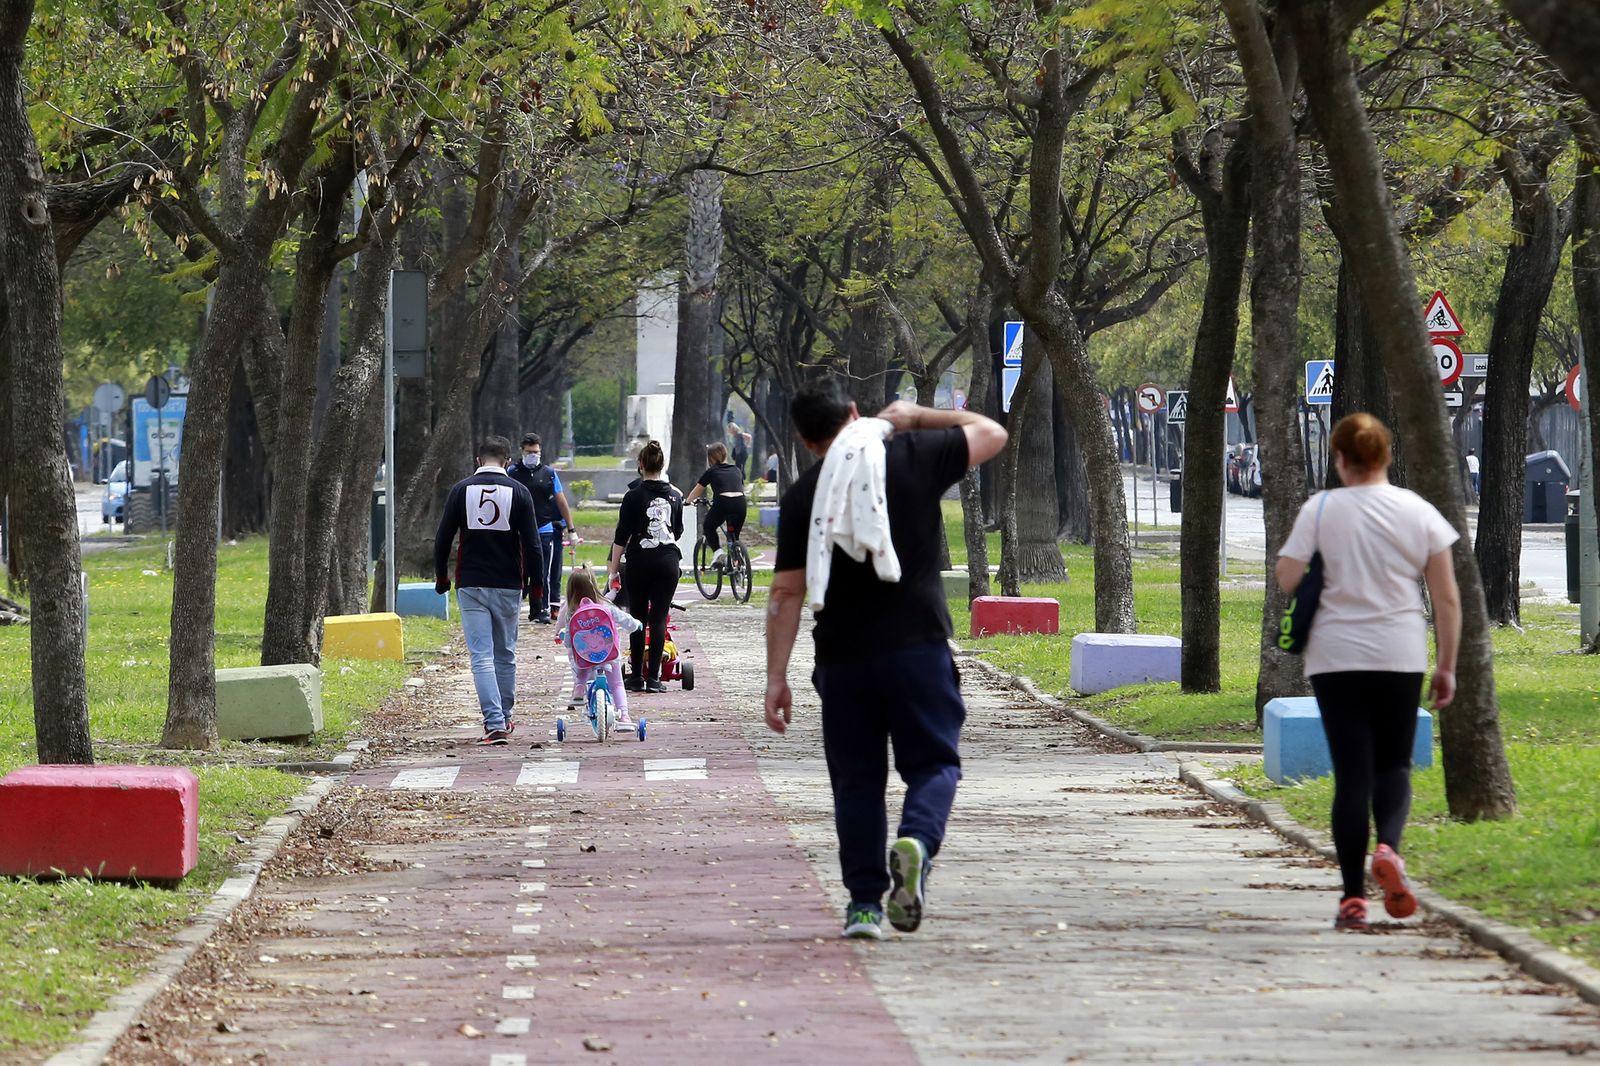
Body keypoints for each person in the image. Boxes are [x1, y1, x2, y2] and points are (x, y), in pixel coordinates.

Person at [764, 378, 1008, 941]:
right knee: (935, 766)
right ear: (855, 412)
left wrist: (776, 677)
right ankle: (918, 842)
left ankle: (865, 907)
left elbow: (785, 595)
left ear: (806, 441)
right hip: (917, 647)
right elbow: (991, 433)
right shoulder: (910, 456)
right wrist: (917, 416)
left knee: (856, 783)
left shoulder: (806, 495)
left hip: (843, 661)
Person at [1274, 413, 1461, 933]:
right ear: (1386, 456)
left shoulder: (1323, 508)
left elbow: (1288, 575)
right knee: (1394, 765)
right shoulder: (1417, 511)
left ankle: (1353, 899)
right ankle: (1389, 849)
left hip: (1335, 658)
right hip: (1400, 654)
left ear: (1339, 459)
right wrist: (1446, 667)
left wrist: (1326, 576)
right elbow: (1446, 597)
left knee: (1352, 773)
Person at [434, 436, 542, 745]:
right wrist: (538, 594)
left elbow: (443, 539)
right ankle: (505, 716)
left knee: (481, 656)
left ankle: (494, 723)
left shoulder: (461, 490)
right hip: (509, 583)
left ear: (478, 460)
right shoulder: (520, 492)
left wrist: (442, 577)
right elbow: (534, 548)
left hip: (471, 583)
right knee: (505, 654)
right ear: (508, 461)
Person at [607, 440, 683, 694]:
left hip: (639, 560)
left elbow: (622, 535)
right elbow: (678, 530)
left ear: (640, 465)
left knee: (637, 616)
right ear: (663, 465)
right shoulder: (676, 495)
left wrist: (613, 570)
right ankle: (654, 678)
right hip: (668, 560)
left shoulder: (633, 496)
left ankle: (636, 676)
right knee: (659, 617)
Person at [507, 433, 579, 624]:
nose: (533, 455)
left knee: (543, 572)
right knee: (518, 570)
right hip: (517, 530)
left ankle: (542, 609)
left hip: (543, 529)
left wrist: (571, 528)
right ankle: (513, 607)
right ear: (522, 451)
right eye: (529, 452)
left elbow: (561, 501)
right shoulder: (512, 473)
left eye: (536, 452)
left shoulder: (549, 474)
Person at [556, 567, 641, 728]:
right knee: (616, 684)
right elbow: (624, 619)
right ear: (593, 585)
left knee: (582, 668)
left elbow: (568, 640)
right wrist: (636, 625)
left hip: (585, 656)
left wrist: (563, 638)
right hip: (609, 654)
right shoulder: (605, 606)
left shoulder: (572, 612)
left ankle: (579, 689)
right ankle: (624, 715)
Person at [684, 441, 748, 571]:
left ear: (711, 458)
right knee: (734, 535)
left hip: (723, 502)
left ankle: (718, 553)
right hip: (741, 503)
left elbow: (698, 490)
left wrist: (687, 501)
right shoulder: (736, 469)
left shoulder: (712, 471)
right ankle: (737, 559)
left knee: (708, 526)